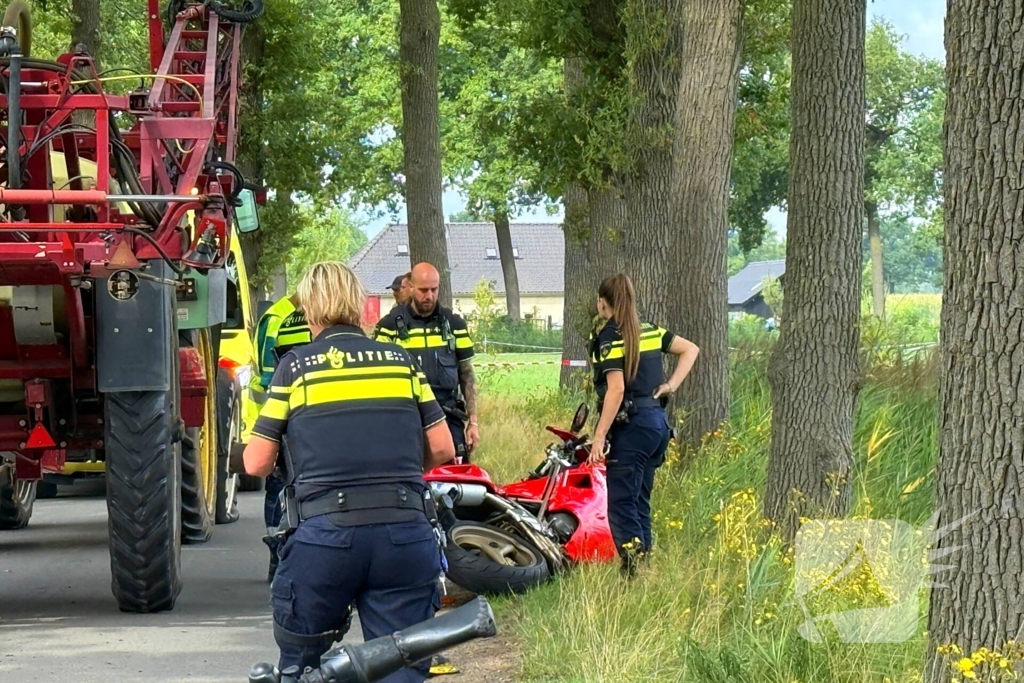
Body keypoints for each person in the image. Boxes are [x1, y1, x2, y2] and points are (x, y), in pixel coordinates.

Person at [243, 261, 455, 682]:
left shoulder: (296, 367)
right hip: (403, 533)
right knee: (400, 664)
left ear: (309, 309)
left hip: (324, 540)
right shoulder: (401, 362)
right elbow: (443, 448)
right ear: (358, 305)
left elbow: (256, 462)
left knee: (302, 667)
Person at [586, 273, 699, 577]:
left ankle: (633, 573)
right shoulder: (650, 330)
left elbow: (616, 390)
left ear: (602, 303)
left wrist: (599, 436)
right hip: (657, 426)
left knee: (622, 505)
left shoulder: (610, 337)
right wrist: (671, 385)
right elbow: (691, 349)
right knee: (639, 501)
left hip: (632, 429)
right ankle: (644, 569)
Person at [373, 262, 479, 464]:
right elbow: (378, 381)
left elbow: (467, 375)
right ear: (411, 287)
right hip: (407, 420)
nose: (429, 296)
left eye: (434, 289)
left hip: (449, 419)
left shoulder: (455, 325)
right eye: (423, 290)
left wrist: (473, 423)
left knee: (455, 478)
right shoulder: (389, 327)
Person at [250, 293, 313, 581]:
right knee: (280, 483)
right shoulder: (280, 318)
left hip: (285, 411)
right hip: (279, 412)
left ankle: (282, 551)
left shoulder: (290, 316)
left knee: (284, 483)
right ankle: (277, 549)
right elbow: (268, 375)